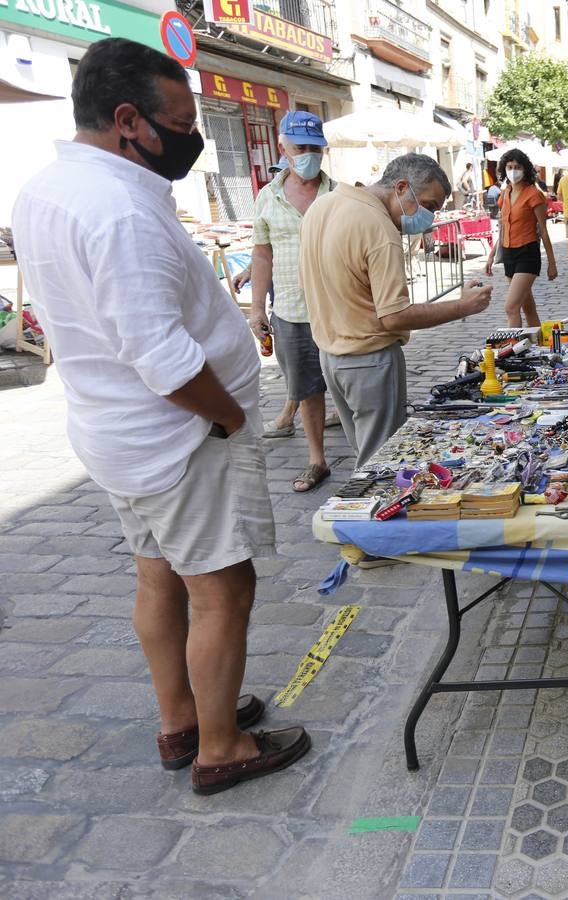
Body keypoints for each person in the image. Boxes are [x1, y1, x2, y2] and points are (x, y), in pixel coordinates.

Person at [11, 38, 309, 794]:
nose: (191, 135)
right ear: (127, 121)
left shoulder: (52, 188)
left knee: (159, 576)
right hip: (178, 437)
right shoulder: (119, 211)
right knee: (223, 588)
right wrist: (229, 419)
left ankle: (182, 715)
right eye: (178, 120)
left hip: (120, 432)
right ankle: (220, 745)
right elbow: (164, 357)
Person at [301, 153, 493, 468]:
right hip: (368, 360)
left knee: (366, 455)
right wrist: (462, 306)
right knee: (381, 464)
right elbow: (394, 316)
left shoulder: (324, 204)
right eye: (429, 206)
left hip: (331, 357)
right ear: (401, 187)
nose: (429, 218)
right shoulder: (378, 227)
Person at [244, 110, 335, 493]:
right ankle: (317, 460)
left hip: (338, 308)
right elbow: (261, 255)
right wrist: (257, 308)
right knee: (307, 388)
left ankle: (370, 457)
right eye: (301, 148)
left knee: (349, 385)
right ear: (283, 146)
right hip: (292, 312)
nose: (308, 155)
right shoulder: (267, 197)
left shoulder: (340, 195)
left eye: (316, 148)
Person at [484, 148, 557, 327]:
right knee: (528, 308)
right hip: (509, 253)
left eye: (517, 166)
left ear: (525, 169)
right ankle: (538, 346)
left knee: (511, 307)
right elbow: (503, 227)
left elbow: (544, 231)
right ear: (504, 169)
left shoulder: (534, 194)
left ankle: (513, 349)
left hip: (527, 253)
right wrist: (492, 254)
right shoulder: (505, 193)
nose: (513, 170)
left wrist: (552, 264)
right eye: (509, 166)